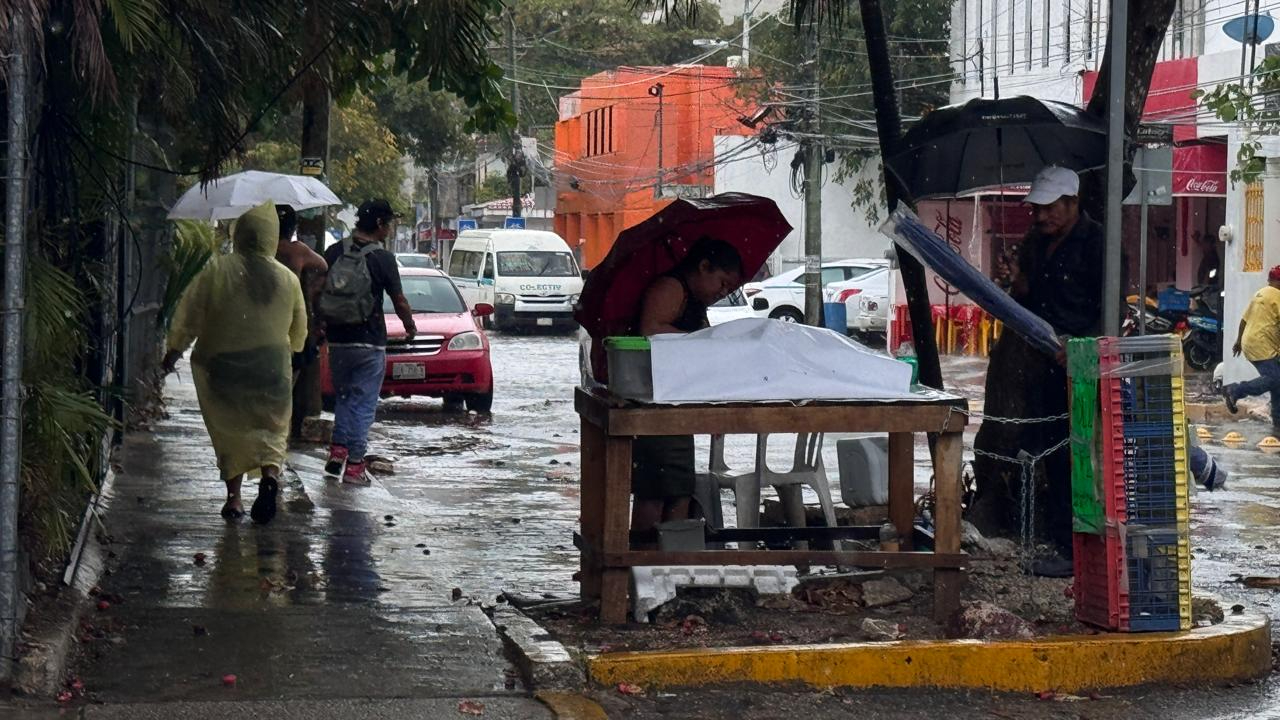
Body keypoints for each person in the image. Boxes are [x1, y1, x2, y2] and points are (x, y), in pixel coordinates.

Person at [970, 166, 1110, 577]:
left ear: (1072, 204)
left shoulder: (1098, 242)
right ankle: (1058, 540)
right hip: (1039, 366)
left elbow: (1109, 304)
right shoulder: (1034, 243)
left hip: (1082, 364)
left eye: (1050, 210)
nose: (1041, 217)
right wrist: (1015, 282)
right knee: (1047, 449)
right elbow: (1027, 297)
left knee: (1078, 453)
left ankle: (1079, 549)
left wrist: (1082, 345)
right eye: (1037, 210)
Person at [162, 201, 308, 524]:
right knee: (271, 428)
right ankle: (270, 476)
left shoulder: (216, 270)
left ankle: (234, 499)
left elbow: (190, 317)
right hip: (271, 369)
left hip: (223, 368)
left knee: (231, 429)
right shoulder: (287, 280)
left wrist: (172, 354)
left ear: (239, 232)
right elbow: (299, 334)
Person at [630, 237, 743, 537]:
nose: (722, 293)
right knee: (654, 491)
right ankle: (641, 563)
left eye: (729, 290)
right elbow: (651, 330)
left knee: (680, 489)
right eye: (721, 283)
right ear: (703, 267)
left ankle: (671, 565)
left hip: (678, 405)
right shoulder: (671, 288)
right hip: (653, 405)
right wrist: (699, 338)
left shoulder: (695, 302)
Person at [319, 199, 416, 486]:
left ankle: (338, 451)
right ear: (378, 225)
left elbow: (319, 291)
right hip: (369, 341)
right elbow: (399, 300)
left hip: (337, 342)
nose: (390, 228)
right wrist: (410, 326)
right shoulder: (383, 258)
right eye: (388, 223)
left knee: (345, 398)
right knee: (363, 403)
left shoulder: (335, 251)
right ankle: (355, 465)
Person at [274, 205, 329, 438]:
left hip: (264, 322)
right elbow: (323, 266)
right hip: (293, 324)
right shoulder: (297, 251)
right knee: (288, 384)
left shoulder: (261, 250)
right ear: (293, 227)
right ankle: (282, 434)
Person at [1222, 265, 1280, 435]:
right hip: (1263, 344)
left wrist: (1239, 341)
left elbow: (1244, 320)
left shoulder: (1259, 293)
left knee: (1278, 383)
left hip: (1250, 341)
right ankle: (1236, 390)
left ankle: (1277, 422)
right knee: (1273, 379)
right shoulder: (1277, 296)